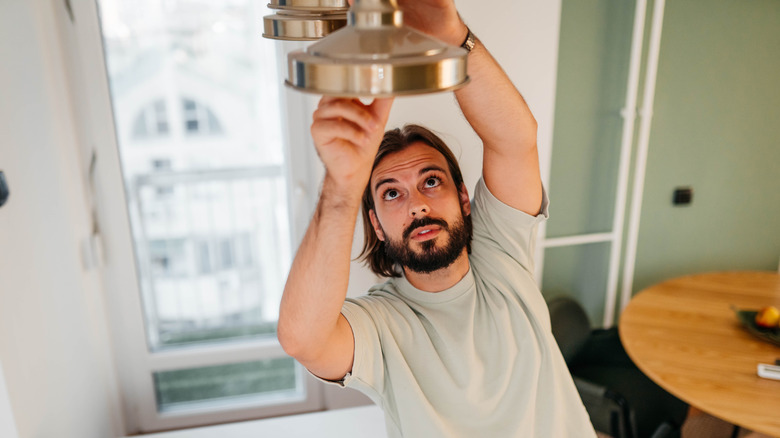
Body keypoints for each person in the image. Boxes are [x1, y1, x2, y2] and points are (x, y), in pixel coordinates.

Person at [277, 0, 597, 436]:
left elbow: (515, 140)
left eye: (431, 181)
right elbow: (303, 339)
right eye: (392, 193)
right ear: (376, 225)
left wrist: (453, 39)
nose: (417, 205)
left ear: (463, 198)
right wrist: (341, 186)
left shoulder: (502, 254)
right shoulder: (381, 325)